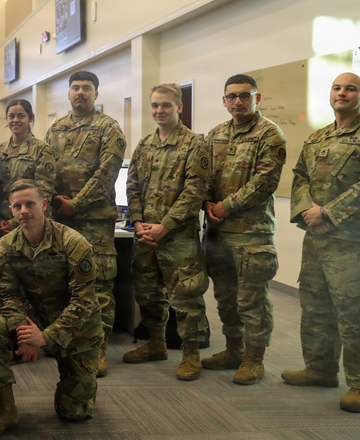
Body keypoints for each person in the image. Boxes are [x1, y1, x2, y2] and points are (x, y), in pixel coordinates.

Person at [283, 72, 360, 413]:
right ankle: (319, 369)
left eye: (351, 89)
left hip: (354, 243)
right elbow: (300, 176)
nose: (343, 93)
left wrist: (327, 214)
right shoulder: (317, 138)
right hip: (317, 242)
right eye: (337, 88)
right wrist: (307, 211)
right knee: (316, 308)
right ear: (330, 94)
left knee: (356, 314)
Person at [0, 181, 104, 440]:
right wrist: (23, 332)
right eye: (17, 206)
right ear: (11, 210)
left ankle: (81, 382)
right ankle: (6, 409)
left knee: (72, 412)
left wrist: (45, 338)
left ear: (44, 205)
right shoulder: (6, 246)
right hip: (32, 320)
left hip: (76, 330)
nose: (24, 210)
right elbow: (5, 293)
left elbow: (84, 302)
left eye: (30, 204)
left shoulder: (73, 243)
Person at [201, 74, 287, 384]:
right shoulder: (215, 134)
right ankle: (233, 350)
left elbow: (264, 182)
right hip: (217, 234)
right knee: (226, 298)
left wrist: (225, 206)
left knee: (252, 301)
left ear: (256, 98)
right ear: (223, 100)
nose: (238, 101)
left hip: (251, 235)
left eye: (245, 95)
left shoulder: (270, 134)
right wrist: (206, 204)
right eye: (232, 96)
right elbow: (202, 176)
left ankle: (254, 359)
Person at [123, 83, 210, 381]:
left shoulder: (194, 145)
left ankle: (191, 354)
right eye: (155, 106)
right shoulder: (145, 145)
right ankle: (156, 344)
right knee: (148, 294)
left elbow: (194, 191)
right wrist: (137, 224)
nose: (160, 111)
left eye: (166, 105)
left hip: (177, 237)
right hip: (146, 235)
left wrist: (164, 226)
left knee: (186, 298)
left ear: (179, 107)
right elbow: (131, 186)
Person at [44, 71, 126, 377]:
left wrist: (75, 204)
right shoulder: (56, 128)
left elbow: (107, 173)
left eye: (86, 88)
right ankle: (67, 342)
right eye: (75, 88)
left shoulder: (108, 128)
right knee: (65, 284)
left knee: (98, 286)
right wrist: (51, 200)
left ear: (96, 94)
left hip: (93, 221)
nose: (80, 92)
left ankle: (97, 349)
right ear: (68, 93)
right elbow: (45, 167)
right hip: (60, 220)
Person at [0, 99, 56, 243]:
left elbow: (44, 190)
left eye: (21, 116)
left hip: (30, 223)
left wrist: (16, 220)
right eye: (11, 116)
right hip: (0, 226)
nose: (15, 120)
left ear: (30, 118)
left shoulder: (41, 149)